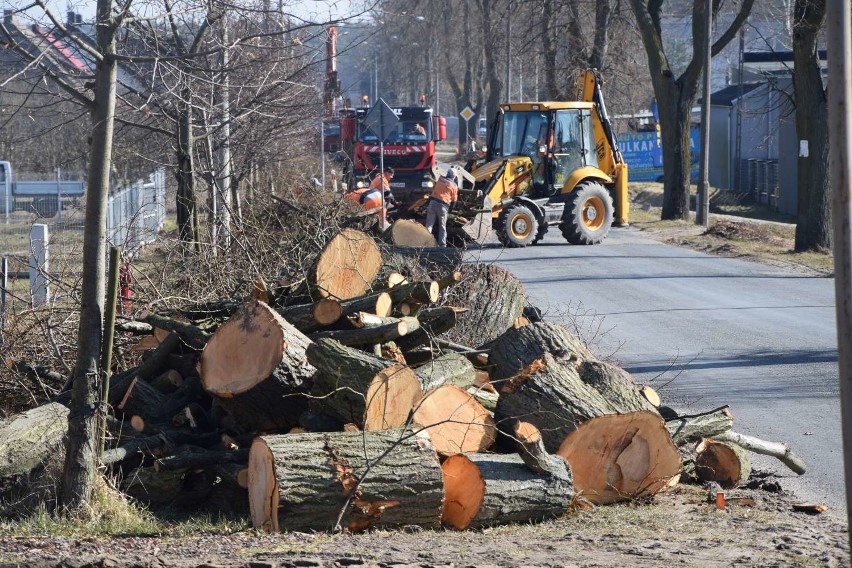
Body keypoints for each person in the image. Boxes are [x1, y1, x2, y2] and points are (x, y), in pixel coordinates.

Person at [425, 167, 458, 247]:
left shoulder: (440, 180)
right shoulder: (454, 186)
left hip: (432, 203)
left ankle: (425, 242)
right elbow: (454, 200)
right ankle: (442, 245)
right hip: (442, 206)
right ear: (454, 176)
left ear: (447, 173)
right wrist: (451, 209)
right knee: (442, 227)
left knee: (429, 225)